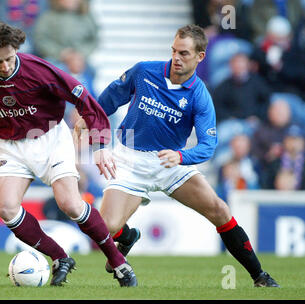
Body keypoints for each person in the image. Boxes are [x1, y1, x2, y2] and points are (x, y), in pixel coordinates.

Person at [75, 24, 279, 287]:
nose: (176, 58)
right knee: (105, 228)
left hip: (170, 162)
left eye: (184, 53)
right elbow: (111, 99)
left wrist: (181, 157)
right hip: (129, 158)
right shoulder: (144, 71)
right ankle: (126, 237)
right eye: (174, 51)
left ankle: (259, 276)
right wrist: (88, 116)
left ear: (200, 56)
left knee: (219, 210)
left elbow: (208, 145)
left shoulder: (200, 95)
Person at [0, 22, 136, 287]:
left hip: (50, 137)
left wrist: (100, 146)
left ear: (16, 50)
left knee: (71, 204)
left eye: (9, 58)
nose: (4, 66)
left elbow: (83, 98)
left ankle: (118, 262)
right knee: (6, 209)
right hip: (11, 145)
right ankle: (60, 257)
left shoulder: (38, 69)